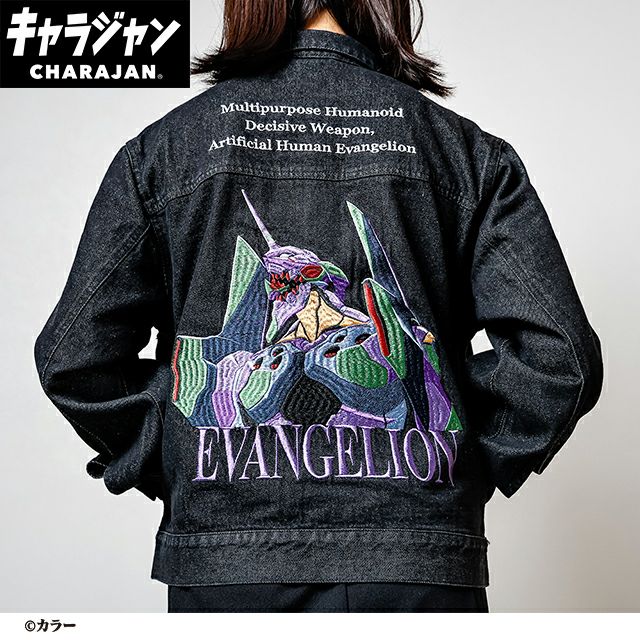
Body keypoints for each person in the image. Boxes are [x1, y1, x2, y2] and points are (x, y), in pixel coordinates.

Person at [33, 0, 604, 613]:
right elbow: (560, 358)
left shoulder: (167, 151)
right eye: (283, 286)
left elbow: (74, 355)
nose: (296, 295)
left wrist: (182, 455)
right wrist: (449, 460)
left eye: (305, 282)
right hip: (410, 558)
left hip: (233, 560)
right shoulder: (462, 153)